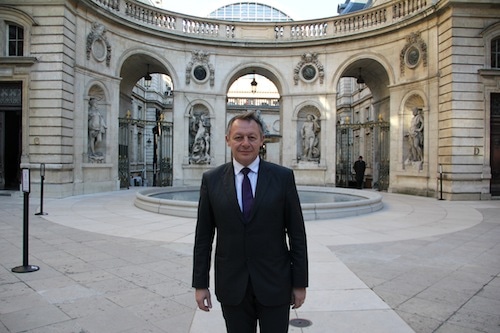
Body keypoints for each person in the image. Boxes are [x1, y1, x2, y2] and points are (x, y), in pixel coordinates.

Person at [192, 111, 308, 333]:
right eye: (238, 137)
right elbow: (203, 237)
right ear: (228, 140)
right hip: (232, 286)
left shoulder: (283, 178)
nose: (245, 143)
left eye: (252, 137)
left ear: (262, 140)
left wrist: (299, 283)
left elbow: (297, 235)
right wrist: (200, 284)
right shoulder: (212, 180)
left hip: (275, 283)